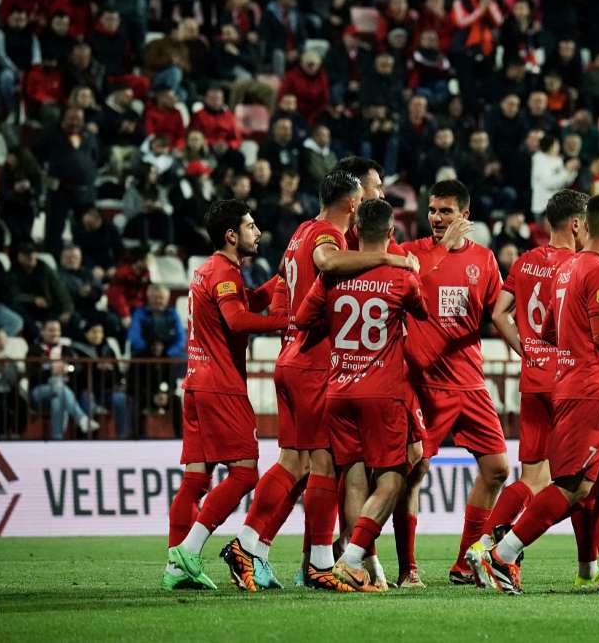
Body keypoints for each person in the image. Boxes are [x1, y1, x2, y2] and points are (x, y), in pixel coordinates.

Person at [223, 170, 417, 593]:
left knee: (294, 463)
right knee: (324, 464)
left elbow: (284, 275)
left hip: (291, 356)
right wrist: (388, 259)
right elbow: (327, 262)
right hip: (314, 362)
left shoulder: (301, 231)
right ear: (352, 203)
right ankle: (315, 562)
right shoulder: (328, 236)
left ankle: (252, 545)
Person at [477, 194, 599, 596]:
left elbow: (545, 330)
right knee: (573, 487)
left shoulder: (567, 268)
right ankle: (503, 553)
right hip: (589, 392)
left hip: (580, 386)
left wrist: (567, 352)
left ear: (587, 225)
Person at [290, 199, 429, 591]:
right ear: (391, 233)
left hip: (339, 390)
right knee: (392, 480)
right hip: (381, 393)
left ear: (355, 232)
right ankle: (351, 560)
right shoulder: (401, 276)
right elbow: (422, 312)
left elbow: (302, 318)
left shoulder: (332, 276)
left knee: (353, 479)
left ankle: (358, 565)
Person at [163, 200, 288, 591]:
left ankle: (175, 568)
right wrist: (286, 320)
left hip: (196, 383)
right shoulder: (224, 272)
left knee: (195, 480)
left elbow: (244, 302)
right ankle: (189, 550)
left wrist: (282, 278)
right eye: (250, 226)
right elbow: (237, 319)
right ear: (231, 235)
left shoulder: (208, 270)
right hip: (221, 385)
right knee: (245, 472)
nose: (258, 232)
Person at [399, 180, 508, 587]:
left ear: (465, 215)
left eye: (445, 211)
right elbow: (408, 291)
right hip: (424, 383)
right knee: (413, 471)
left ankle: (464, 563)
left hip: (469, 380)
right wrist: (443, 250)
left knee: (497, 469)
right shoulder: (411, 254)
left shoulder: (485, 259)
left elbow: (499, 314)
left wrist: (529, 350)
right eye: (432, 210)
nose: (436, 217)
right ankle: (407, 568)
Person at [474, 190, 589, 575]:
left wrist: (527, 350)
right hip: (568, 381)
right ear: (577, 224)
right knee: (582, 480)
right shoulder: (578, 265)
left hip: (534, 378)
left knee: (533, 477)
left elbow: (498, 313)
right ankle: (592, 566)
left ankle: (482, 543)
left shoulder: (525, 262)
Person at [27, 319, 98, 438]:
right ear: (43, 332)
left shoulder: (66, 349)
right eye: (51, 330)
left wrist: (67, 368)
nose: (55, 333)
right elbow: (32, 373)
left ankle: (57, 438)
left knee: (58, 399)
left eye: (57, 330)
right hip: (40, 391)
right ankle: (81, 418)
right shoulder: (34, 350)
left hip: (63, 392)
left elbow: (77, 368)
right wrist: (50, 371)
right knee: (59, 388)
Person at [127, 285, 186, 359]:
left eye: (161, 298)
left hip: (170, 355)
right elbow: (134, 336)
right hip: (144, 354)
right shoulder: (139, 313)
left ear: (167, 299)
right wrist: (148, 350)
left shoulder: (173, 314)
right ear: (149, 298)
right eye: (155, 297)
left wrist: (169, 353)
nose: (158, 300)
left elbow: (181, 338)